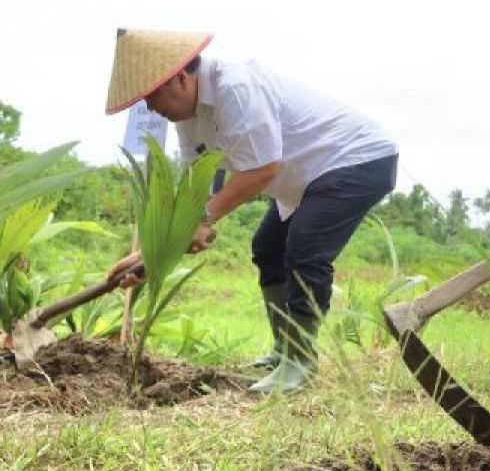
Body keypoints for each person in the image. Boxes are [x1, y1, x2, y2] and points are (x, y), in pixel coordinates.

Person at [104, 29, 397, 393]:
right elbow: (199, 184)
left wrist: (205, 219)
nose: (150, 108)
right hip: (306, 177)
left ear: (180, 76)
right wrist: (149, 255)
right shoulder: (189, 117)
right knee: (268, 248)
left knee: (304, 250)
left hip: (356, 160)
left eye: (152, 96)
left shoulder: (236, 88)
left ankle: (299, 362)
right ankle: (283, 350)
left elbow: (262, 170)